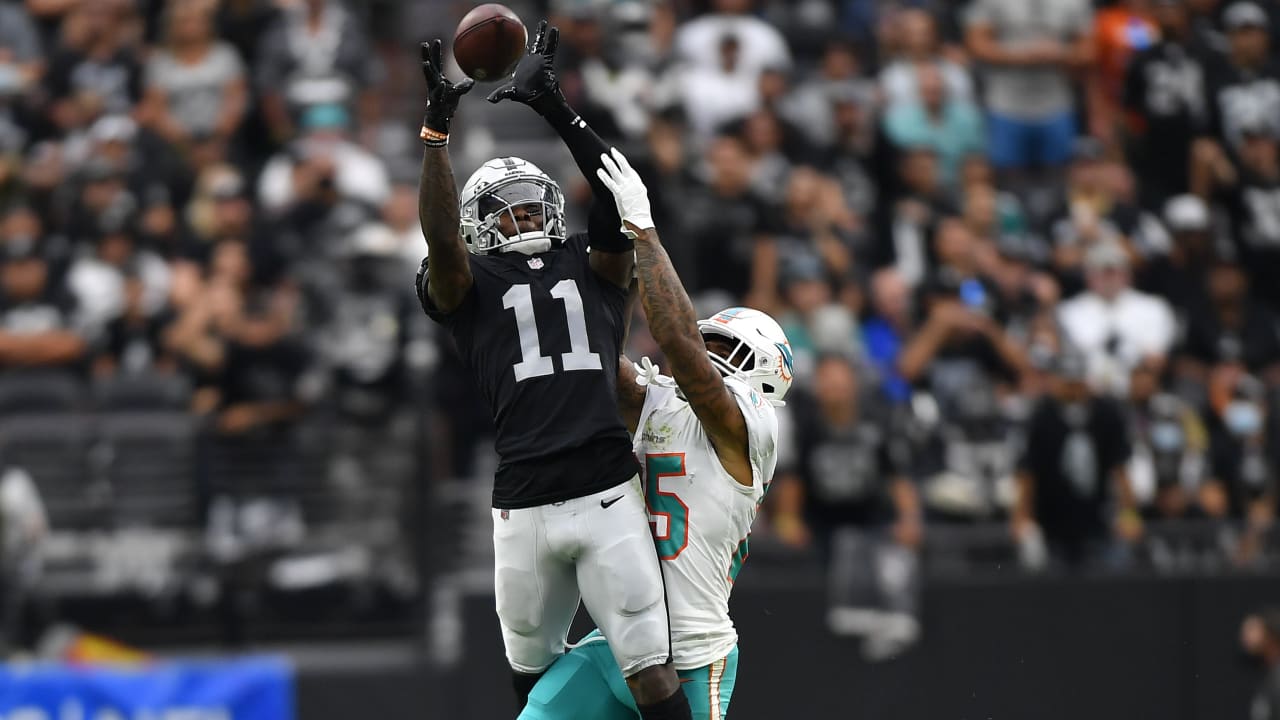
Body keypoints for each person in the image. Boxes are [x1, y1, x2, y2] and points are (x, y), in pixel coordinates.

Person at [414, 24, 690, 719]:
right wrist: (437, 136)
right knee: (530, 680)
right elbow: (441, 240)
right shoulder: (465, 285)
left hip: (604, 488)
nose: (524, 218)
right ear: (479, 227)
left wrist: (555, 107)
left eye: (535, 205)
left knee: (651, 675)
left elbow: (622, 198)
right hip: (524, 497)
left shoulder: (592, 265)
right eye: (505, 212)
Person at [519, 146, 789, 720]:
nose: (708, 353)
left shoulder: (754, 428)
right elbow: (590, 355)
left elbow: (678, 344)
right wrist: (543, 270)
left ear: (765, 373)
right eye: (707, 342)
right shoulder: (662, 404)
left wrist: (644, 232)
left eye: (725, 348)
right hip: (618, 643)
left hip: (693, 653)